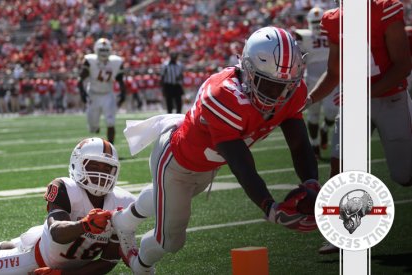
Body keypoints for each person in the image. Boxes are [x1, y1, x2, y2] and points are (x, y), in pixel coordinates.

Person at [112, 26, 320, 274]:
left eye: (285, 85)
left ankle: (122, 220)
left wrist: (311, 183)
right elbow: (242, 164)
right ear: (248, 70)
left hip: (206, 163)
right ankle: (140, 265)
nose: (278, 94)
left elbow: (298, 143)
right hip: (176, 161)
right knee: (171, 240)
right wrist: (270, 207)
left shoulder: (291, 92)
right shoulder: (223, 95)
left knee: (169, 196)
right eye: (269, 85)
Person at [0, 137, 136, 274]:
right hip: (36, 254)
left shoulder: (123, 201)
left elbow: (109, 260)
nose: (101, 173)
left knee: (19, 242)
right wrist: (85, 225)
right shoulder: (65, 187)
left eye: (107, 168)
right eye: (94, 165)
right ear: (77, 164)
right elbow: (56, 232)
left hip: (55, 251)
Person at [307, 0, 412, 254]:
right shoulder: (333, 20)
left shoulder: (385, 7)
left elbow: (402, 65)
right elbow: (333, 73)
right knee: (340, 165)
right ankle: (341, 234)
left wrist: (363, 93)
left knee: (405, 175)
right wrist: (308, 99)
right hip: (354, 102)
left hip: (390, 99)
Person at [294, 7, 339, 159]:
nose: (316, 25)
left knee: (332, 112)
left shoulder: (333, 31)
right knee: (312, 114)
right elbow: (298, 57)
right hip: (311, 78)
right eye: (313, 22)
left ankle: (325, 129)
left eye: (318, 22)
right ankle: (314, 145)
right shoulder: (303, 36)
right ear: (308, 22)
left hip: (331, 76)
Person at [78, 38, 127, 144]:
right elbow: (81, 79)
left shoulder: (115, 62)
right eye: (101, 50)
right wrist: (82, 93)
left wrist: (123, 93)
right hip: (93, 94)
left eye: (106, 50)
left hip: (108, 94)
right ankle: (95, 128)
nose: (104, 53)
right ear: (96, 49)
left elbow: (120, 80)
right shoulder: (90, 60)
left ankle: (111, 149)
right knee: (93, 127)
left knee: (110, 122)